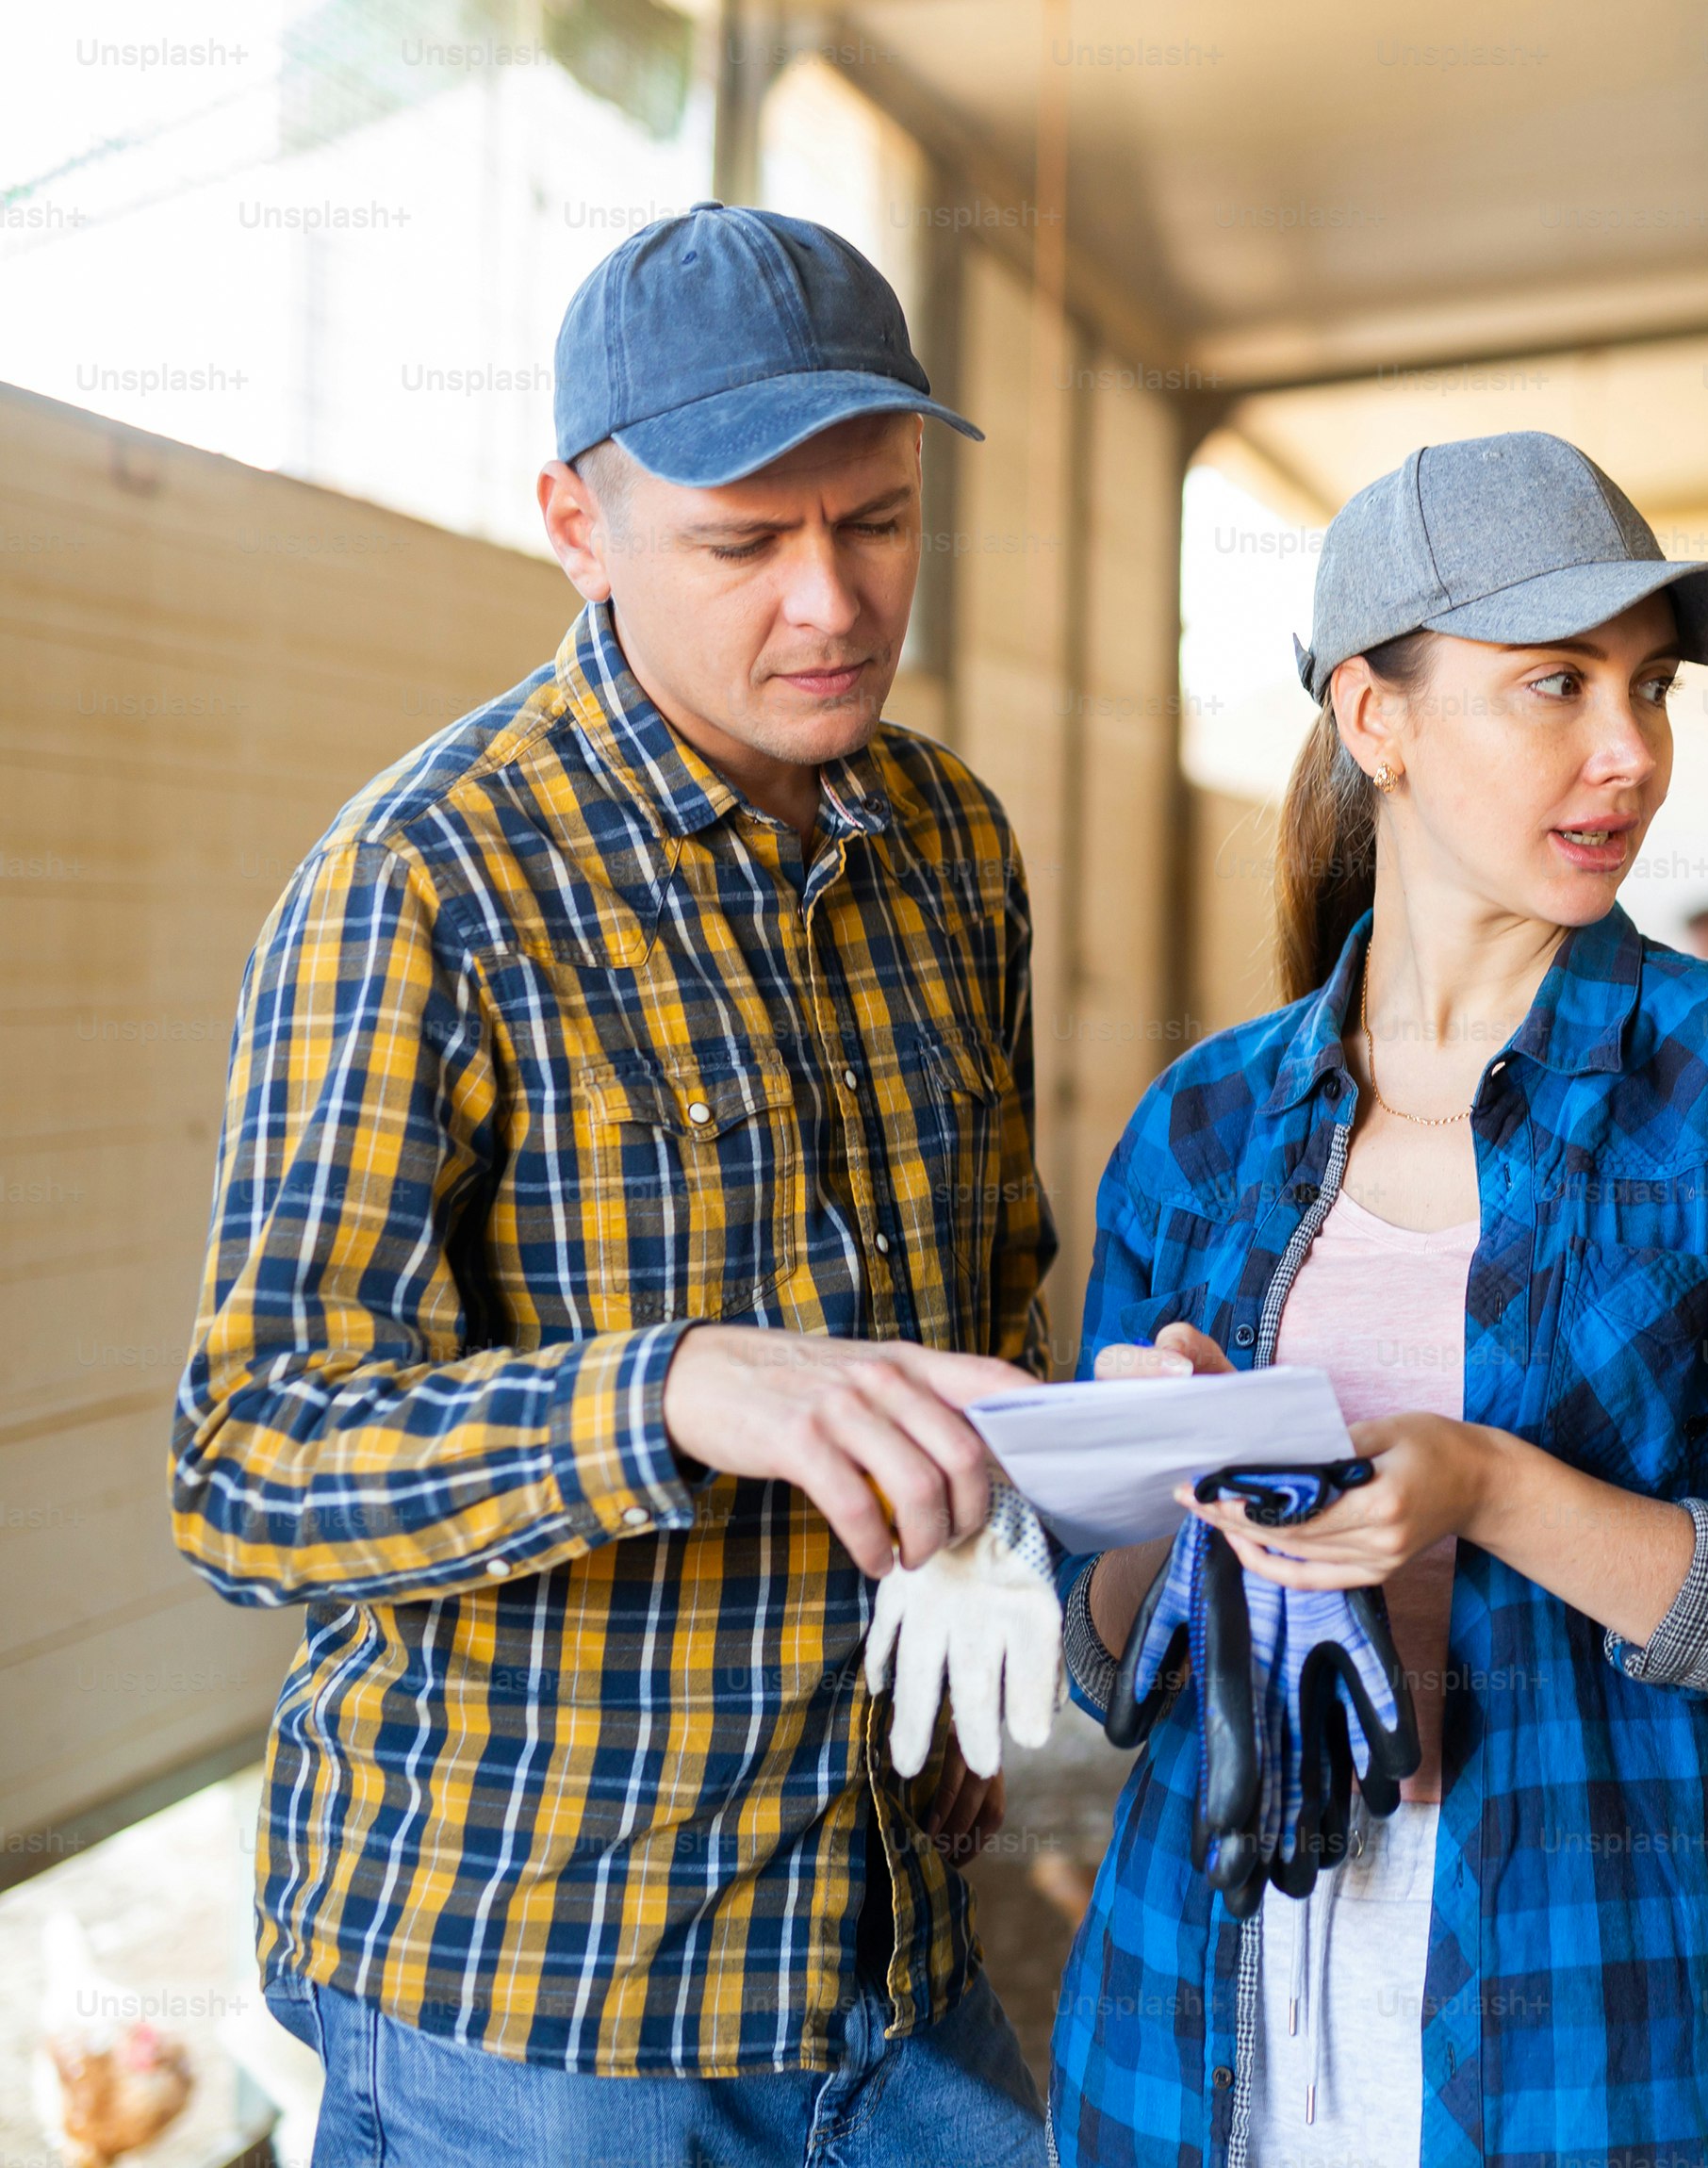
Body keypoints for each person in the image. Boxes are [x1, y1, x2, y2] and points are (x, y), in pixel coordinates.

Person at [172, 205, 1059, 2164]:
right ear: (579, 524)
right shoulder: (430, 883)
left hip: (883, 1927)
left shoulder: (951, 846)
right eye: (743, 544)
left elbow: (993, 1284)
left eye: (881, 520)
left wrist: (1009, 1537)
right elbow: (247, 1459)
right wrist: (674, 1388)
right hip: (538, 2009)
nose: (831, 601)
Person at [1050, 432, 1708, 2166]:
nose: (1624, 755)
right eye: (1550, 685)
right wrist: (1156, 1477)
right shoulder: (1207, 1125)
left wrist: (1491, 1489)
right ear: (1372, 718)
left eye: (1649, 687)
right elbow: (1107, 1665)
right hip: (1197, 2045)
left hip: (1590, 2047)